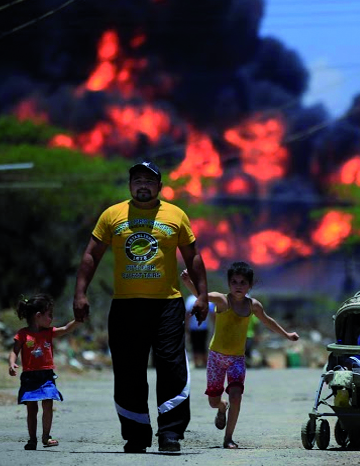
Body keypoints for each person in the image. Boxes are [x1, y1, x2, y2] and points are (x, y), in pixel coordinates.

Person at [72, 160, 209, 454]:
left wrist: (202, 295)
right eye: (137, 180)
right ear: (130, 185)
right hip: (126, 306)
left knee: (171, 367)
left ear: (159, 186)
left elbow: (193, 257)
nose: (142, 185)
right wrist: (79, 293)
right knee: (128, 370)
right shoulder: (112, 215)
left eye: (149, 180)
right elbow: (91, 255)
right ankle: (135, 434)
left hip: (167, 305)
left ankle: (170, 432)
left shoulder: (176, 215)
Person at [180, 262, 299, 450]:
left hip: (237, 359)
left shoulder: (253, 306)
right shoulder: (221, 300)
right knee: (213, 401)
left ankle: (228, 438)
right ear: (228, 284)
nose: (238, 285)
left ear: (250, 285)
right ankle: (221, 407)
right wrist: (188, 281)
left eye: (243, 282)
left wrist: (287, 335)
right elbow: (200, 295)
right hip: (216, 358)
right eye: (234, 281)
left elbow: (268, 321)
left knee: (236, 395)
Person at [8, 293, 81, 451]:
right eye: (50, 315)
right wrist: (12, 363)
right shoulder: (22, 334)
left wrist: (78, 320)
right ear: (38, 316)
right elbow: (14, 351)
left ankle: (46, 437)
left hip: (46, 375)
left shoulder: (49, 332)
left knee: (48, 403)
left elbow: (66, 329)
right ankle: (32, 439)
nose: (52, 319)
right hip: (29, 377)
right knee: (31, 408)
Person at [185, 293, 214, 368]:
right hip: (193, 327)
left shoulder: (207, 298)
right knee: (194, 344)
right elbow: (188, 314)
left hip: (204, 326)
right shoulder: (190, 299)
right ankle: (196, 362)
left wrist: (214, 325)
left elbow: (212, 313)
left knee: (204, 345)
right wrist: (187, 326)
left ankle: (204, 362)